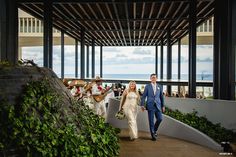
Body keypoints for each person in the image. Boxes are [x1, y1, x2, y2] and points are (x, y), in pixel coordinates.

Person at [141, 73, 165, 141]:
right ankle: (153, 135)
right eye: (152, 77)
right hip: (150, 105)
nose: (153, 78)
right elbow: (143, 97)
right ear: (150, 79)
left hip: (158, 106)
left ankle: (154, 130)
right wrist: (142, 105)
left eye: (154, 77)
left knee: (160, 119)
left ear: (156, 78)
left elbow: (161, 97)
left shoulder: (160, 86)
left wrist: (163, 106)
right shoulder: (147, 86)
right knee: (151, 121)